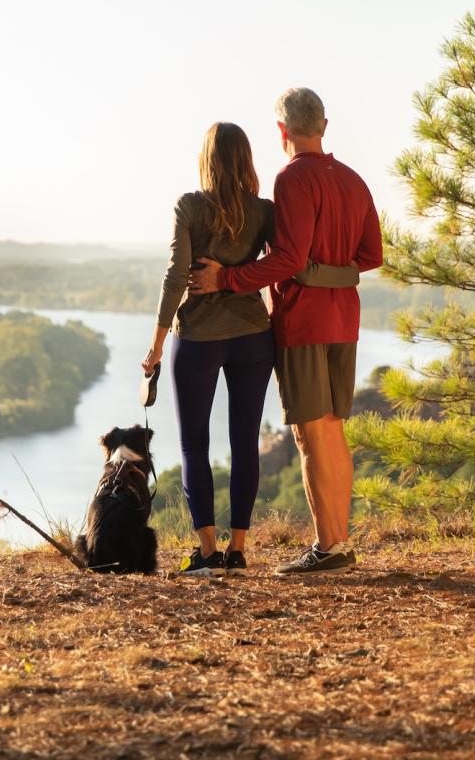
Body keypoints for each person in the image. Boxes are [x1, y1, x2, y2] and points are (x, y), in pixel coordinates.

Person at [143, 121, 358, 577]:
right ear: (246, 160)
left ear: (207, 160)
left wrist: (156, 344)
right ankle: (238, 549)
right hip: (253, 338)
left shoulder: (189, 206)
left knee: (194, 446)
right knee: (244, 444)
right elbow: (285, 258)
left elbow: (174, 276)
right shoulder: (262, 210)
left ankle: (207, 554)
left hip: (198, 339)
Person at [190, 88, 382, 574]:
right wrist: (336, 274)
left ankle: (329, 546)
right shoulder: (354, 180)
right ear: (324, 124)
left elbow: (290, 261)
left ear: (282, 131)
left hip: (303, 324)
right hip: (345, 320)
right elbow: (371, 256)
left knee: (308, 434)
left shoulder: (293, 179)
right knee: (332, 430)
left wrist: (228, 278)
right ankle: (338, 542)